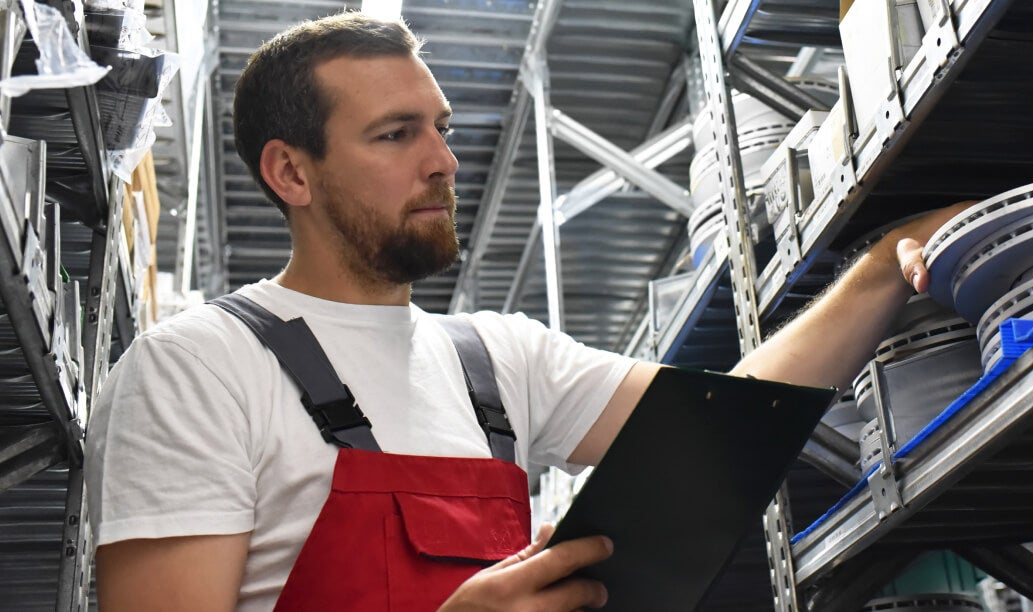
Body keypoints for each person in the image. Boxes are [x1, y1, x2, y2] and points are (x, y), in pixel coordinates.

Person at [85, 12, 969, 612]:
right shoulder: (196, 368)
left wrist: (882, 270)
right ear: (291, 173)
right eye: (396, 135)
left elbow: (728, 422)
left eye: (443, 129)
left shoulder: (494, 363)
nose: (442, 162)